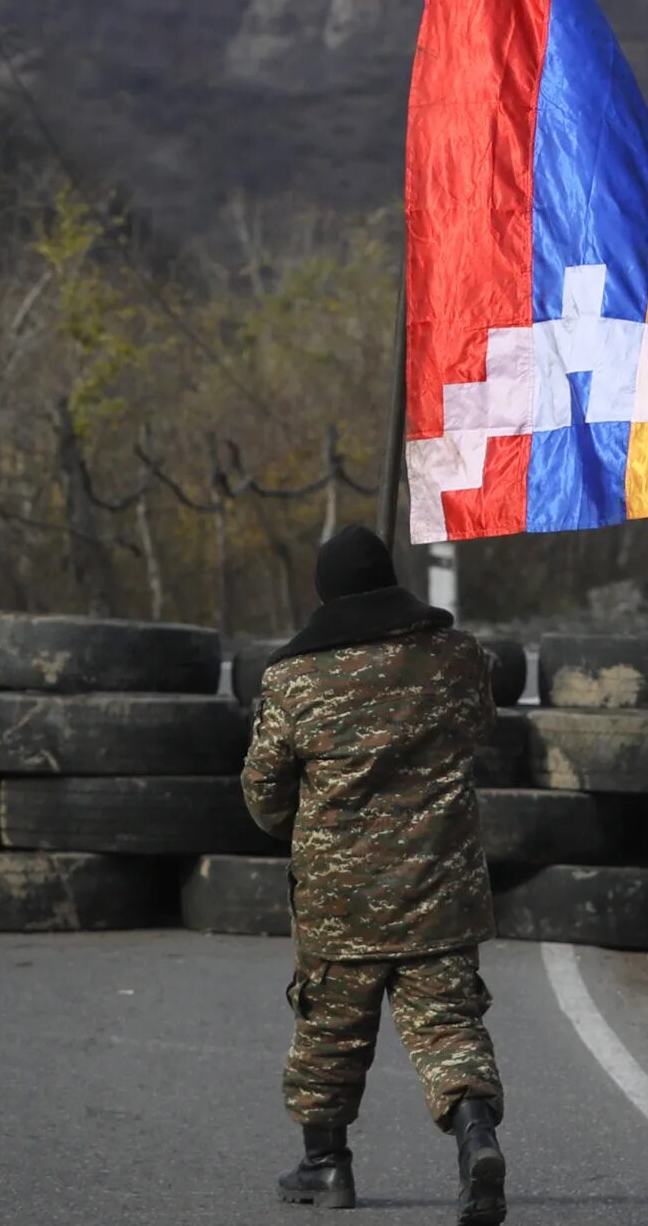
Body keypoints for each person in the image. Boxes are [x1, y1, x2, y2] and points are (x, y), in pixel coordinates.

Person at [240, 525, 507, 1224]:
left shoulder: (292, 680)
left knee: (329, 1032)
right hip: (441, 888)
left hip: (340, 899)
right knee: (448, 1025)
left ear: (325, 592)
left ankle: (326, 1165)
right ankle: (476, 1134)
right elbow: (482, 728)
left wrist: (308, 826)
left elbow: (264, 793)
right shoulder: (457, 658)